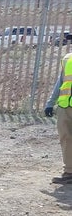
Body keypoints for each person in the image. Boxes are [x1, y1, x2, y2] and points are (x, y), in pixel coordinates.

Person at [44, 53, 72, 184]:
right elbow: (61, 81)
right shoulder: (67, 59)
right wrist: (50, 103)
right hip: (65, 106)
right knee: (66, 139)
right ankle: (69, 172)